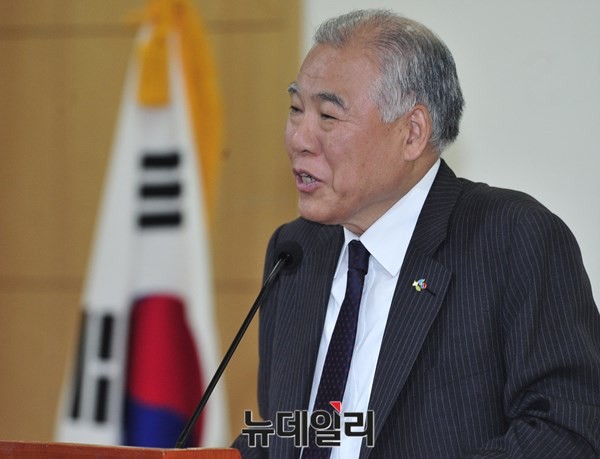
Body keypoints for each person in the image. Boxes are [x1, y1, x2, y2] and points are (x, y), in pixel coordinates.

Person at [233, 9, 600, 458]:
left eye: (328, 115)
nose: (298, 138)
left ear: (412, 133)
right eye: (295, 109)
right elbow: (285, 436)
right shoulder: (295, 252)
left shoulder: (512, 238)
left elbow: (567, 429)